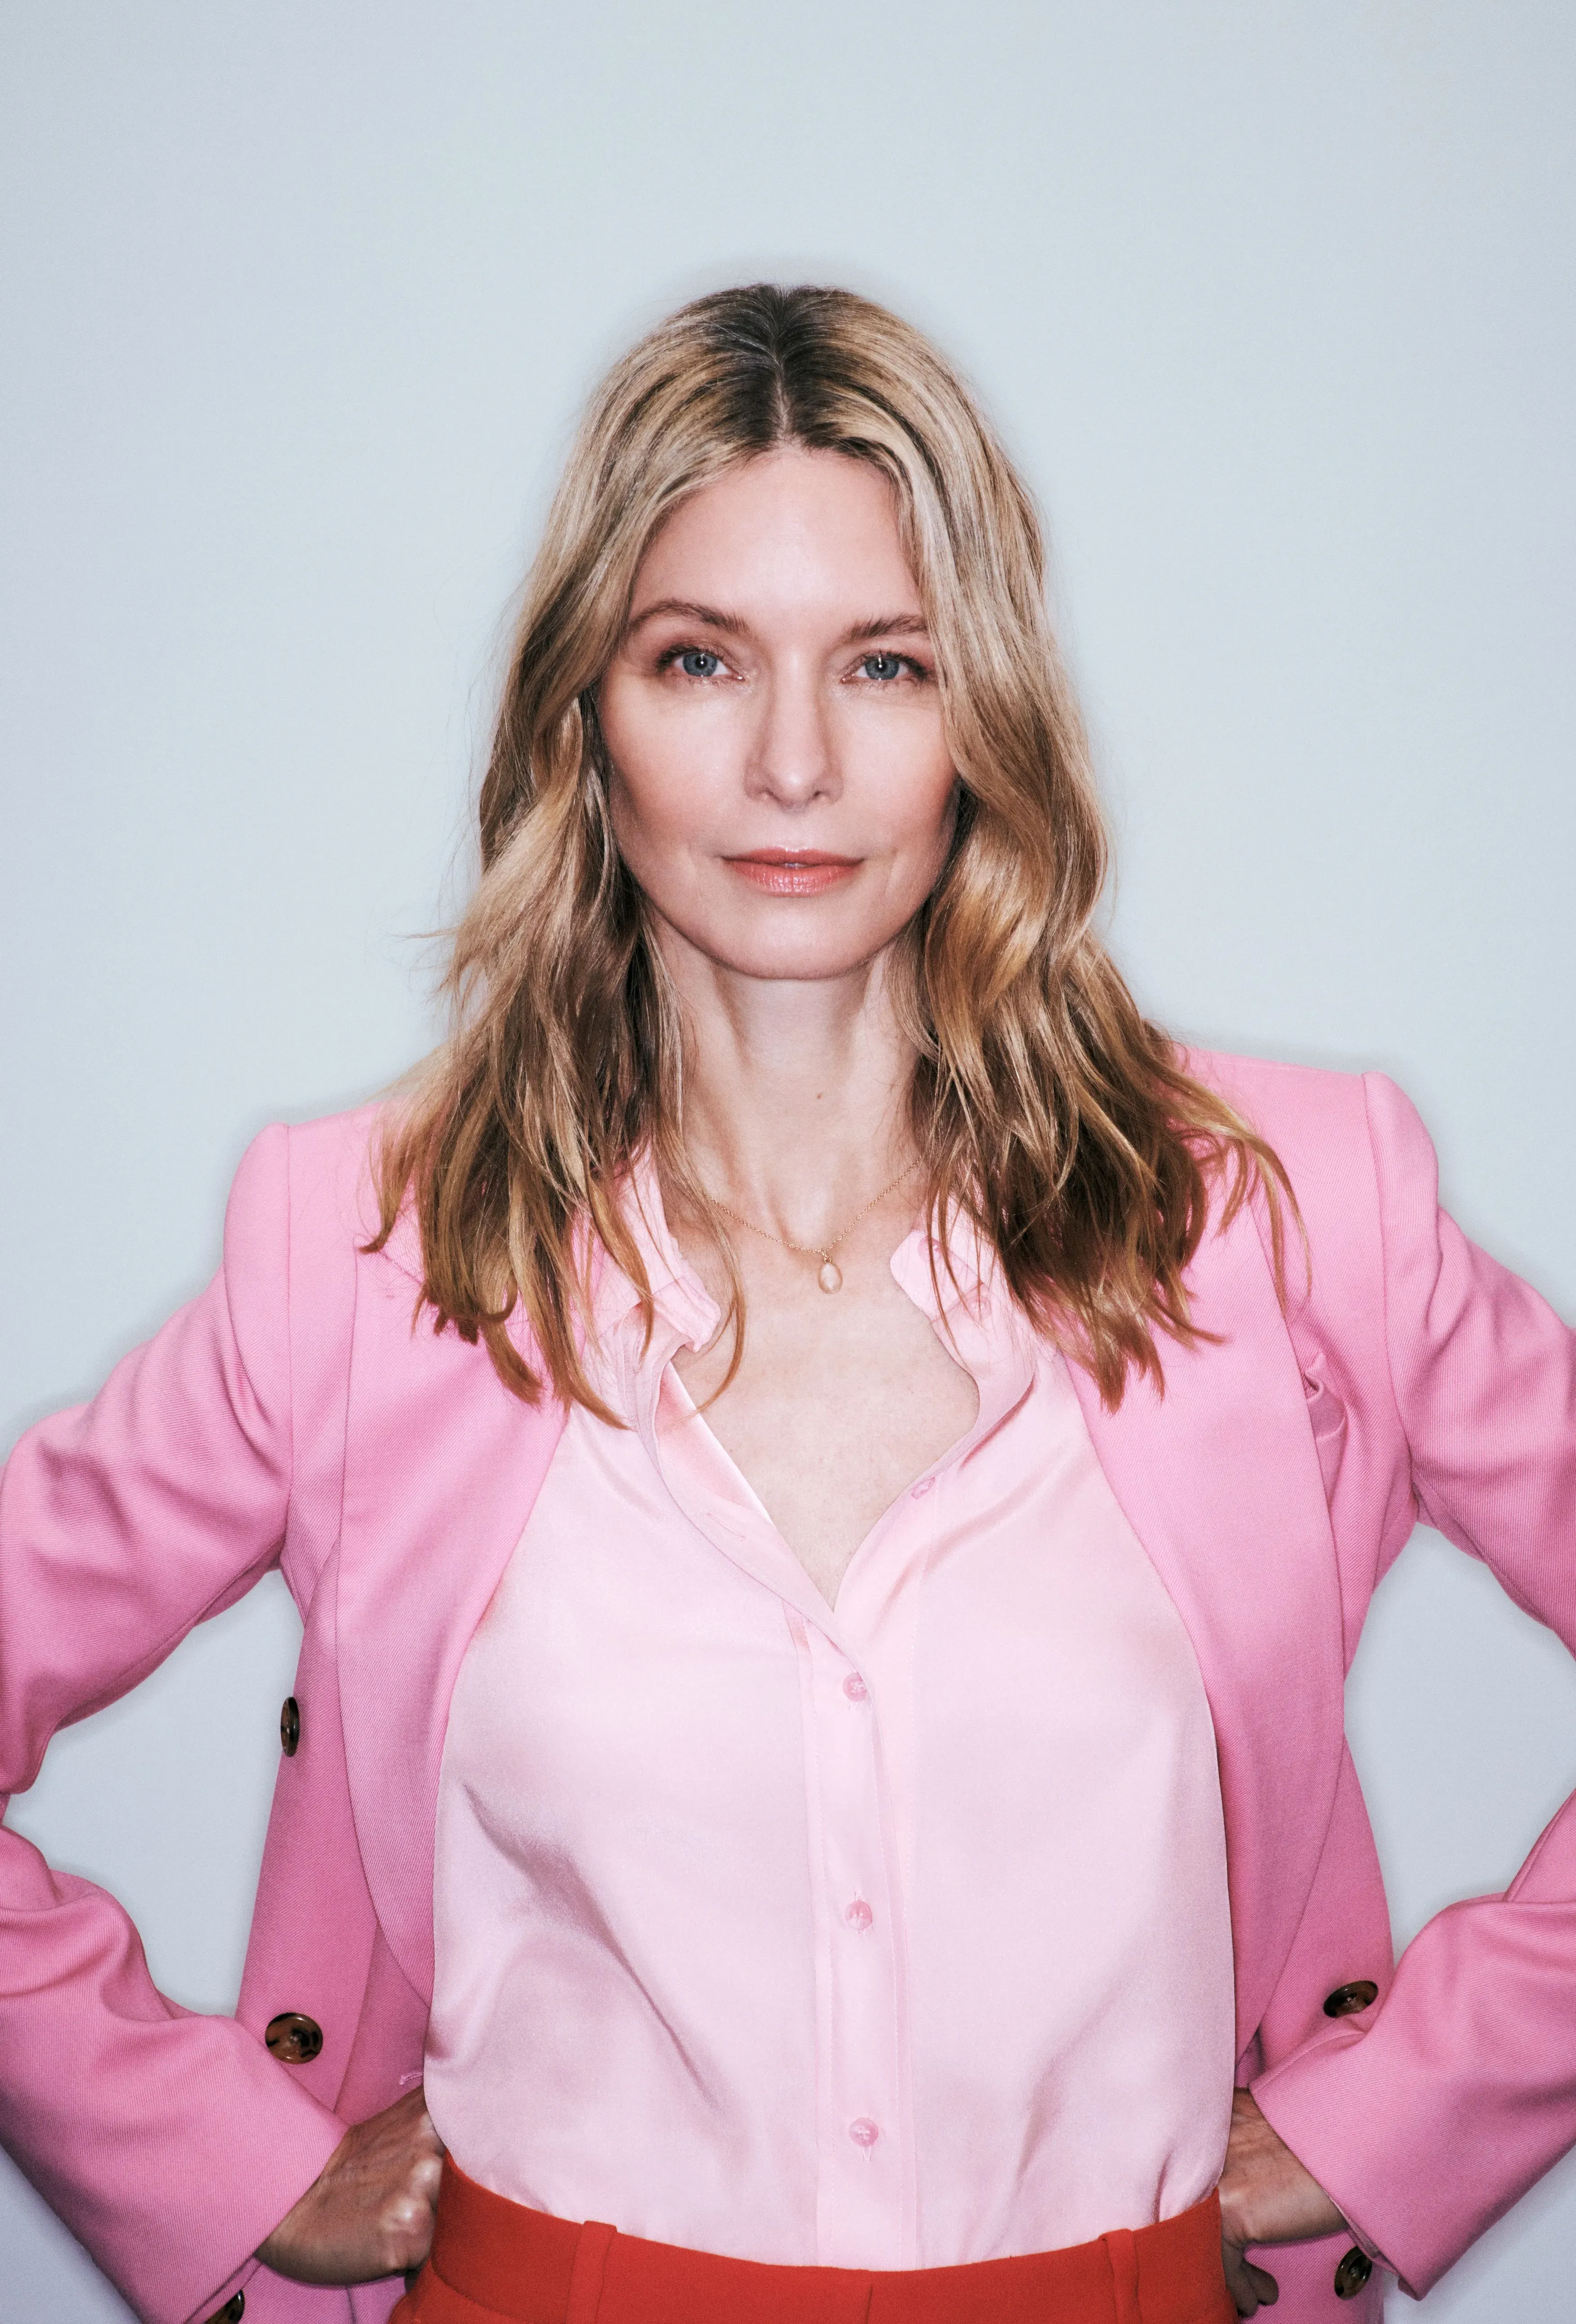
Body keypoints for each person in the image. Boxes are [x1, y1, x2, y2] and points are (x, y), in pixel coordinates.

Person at [1, 285, 1572, 2324]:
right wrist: (208, 2153)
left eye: (887, 664)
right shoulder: (366, 1255)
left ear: (982, 708)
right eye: (698, 659)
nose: (796, 762)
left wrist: (1415, 2106)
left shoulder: (1290, 1218)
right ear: (588, 708)